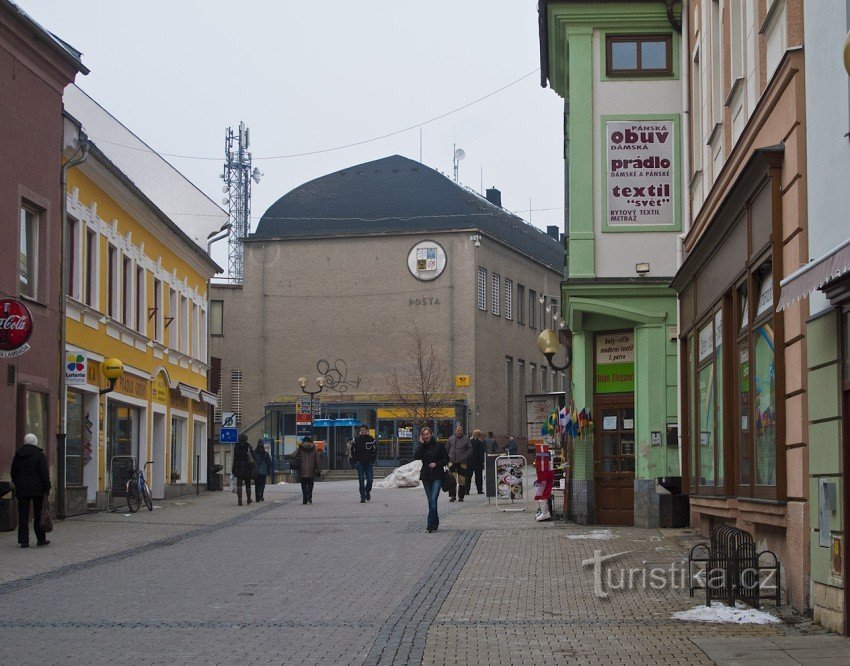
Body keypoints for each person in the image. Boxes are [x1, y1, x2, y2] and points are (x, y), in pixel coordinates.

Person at [10, 433, 51, 548]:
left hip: (22, 489)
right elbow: (44, 473)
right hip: (37, 489)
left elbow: (13, 472)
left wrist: (17, 483)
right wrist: (47, 487)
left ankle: (24, 541)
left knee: (23, 515)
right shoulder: (39, 455)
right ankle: (41, 539)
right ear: (35, 442)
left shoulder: (18, 455)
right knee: (38, 514)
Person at [413, 427, 448, 533]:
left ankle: (429, 523)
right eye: (424, 434)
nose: (426, 436)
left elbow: (446, 459)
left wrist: (436, 464)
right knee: (431, 501)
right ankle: (435, 522)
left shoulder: (439, 445)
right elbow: (416, 456)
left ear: (431, 434)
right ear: (421, 436)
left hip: (437, 475)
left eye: (427, 434)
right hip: (426, 476)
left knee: (433, 499)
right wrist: (421, 444)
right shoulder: (422, 446)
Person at [351, 425, 377, 503]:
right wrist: (355, 461)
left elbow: (375, 451)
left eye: (363, 430)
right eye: (361, 430)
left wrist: (372, 460)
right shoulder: (356, 440)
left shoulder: (371, 440)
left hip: (368, 463)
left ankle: (367, 491)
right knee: (361, 480)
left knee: (370, 480)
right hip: (360, 463)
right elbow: (353, 450)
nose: (362, 431)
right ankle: (362, 497)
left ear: (367, 431)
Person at [446, 424, 471, 502]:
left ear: (462, 431)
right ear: (455, 431)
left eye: (460, 430)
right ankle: (452, 496)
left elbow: (470, 449)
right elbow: (446, 448)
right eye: (458, 430)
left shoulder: (466, 439)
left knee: (462, 480)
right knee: (451, 480)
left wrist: (465, 457)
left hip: (462, 462)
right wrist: (447, 457)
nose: (459, 432)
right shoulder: (451, 438)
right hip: (452, 462)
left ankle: (461, 497)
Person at [292, 436, 321, 504]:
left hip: (302, 470)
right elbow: (318, 461)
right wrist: (318, 470)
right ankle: (309, 497)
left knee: (303, 484)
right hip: (311, 470)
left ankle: (304, 498)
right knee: (310, 484)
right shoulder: (314, 449)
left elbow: (293, 455)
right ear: (311, 441)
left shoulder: (300, 448)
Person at [232, 435, 255, 506]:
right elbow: (252, 457)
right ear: (246, 439)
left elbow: (235, 458)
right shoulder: (248, 446)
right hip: (247, 467)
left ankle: (240, 501)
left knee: (239, 483)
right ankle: (248, 499)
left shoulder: (236, 446)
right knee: (248, 483)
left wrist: (233, 468)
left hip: (238, 467)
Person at [468, 429, 485, 495]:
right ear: (479, 435)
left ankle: (467, 490)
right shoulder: (480, 443)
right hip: (478, 462)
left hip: (470, 461)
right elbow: (481, 453)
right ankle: (479, 490)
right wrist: (482, 462)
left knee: (468, 476)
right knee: (478, 477)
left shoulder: (469, 442)